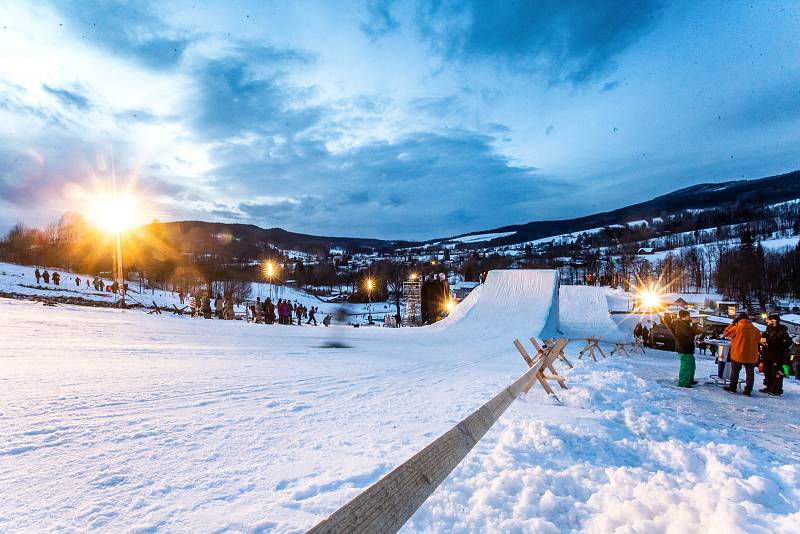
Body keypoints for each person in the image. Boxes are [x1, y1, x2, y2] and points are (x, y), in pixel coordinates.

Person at [723, 312, 761, 396]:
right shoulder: (755, 329)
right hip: (751, 355)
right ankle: (748, 390)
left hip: (738, 354)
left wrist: (732, 323)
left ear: (739, 319)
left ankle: (733, 387)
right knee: (750, 373)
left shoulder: (737, 328)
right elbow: (759, 340)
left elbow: (726, 333)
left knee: (735, 371)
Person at [668, 310, 702, 387]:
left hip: (688, 348)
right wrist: (694, 324)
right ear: (684, 316)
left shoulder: (685, 324)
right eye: (688, 315)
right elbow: (689, 333)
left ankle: (689, 380)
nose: (690, 317)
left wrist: (699, 330)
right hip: (684, 348)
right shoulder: (680, 324)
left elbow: (692, 332)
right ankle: (683, 383)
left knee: (691, 365)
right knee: (686, 366)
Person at [760, 313, 792, 396]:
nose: (767, 321)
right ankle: (769, 386)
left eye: (769, 320)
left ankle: (777, 389)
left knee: (776, 372)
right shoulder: (768, 330)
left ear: (774, 321)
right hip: (767, 355)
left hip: (777, 356)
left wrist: (774, 344)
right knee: (767, 371)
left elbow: (787, 343)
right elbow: (763, 339)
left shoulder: (782, 332)